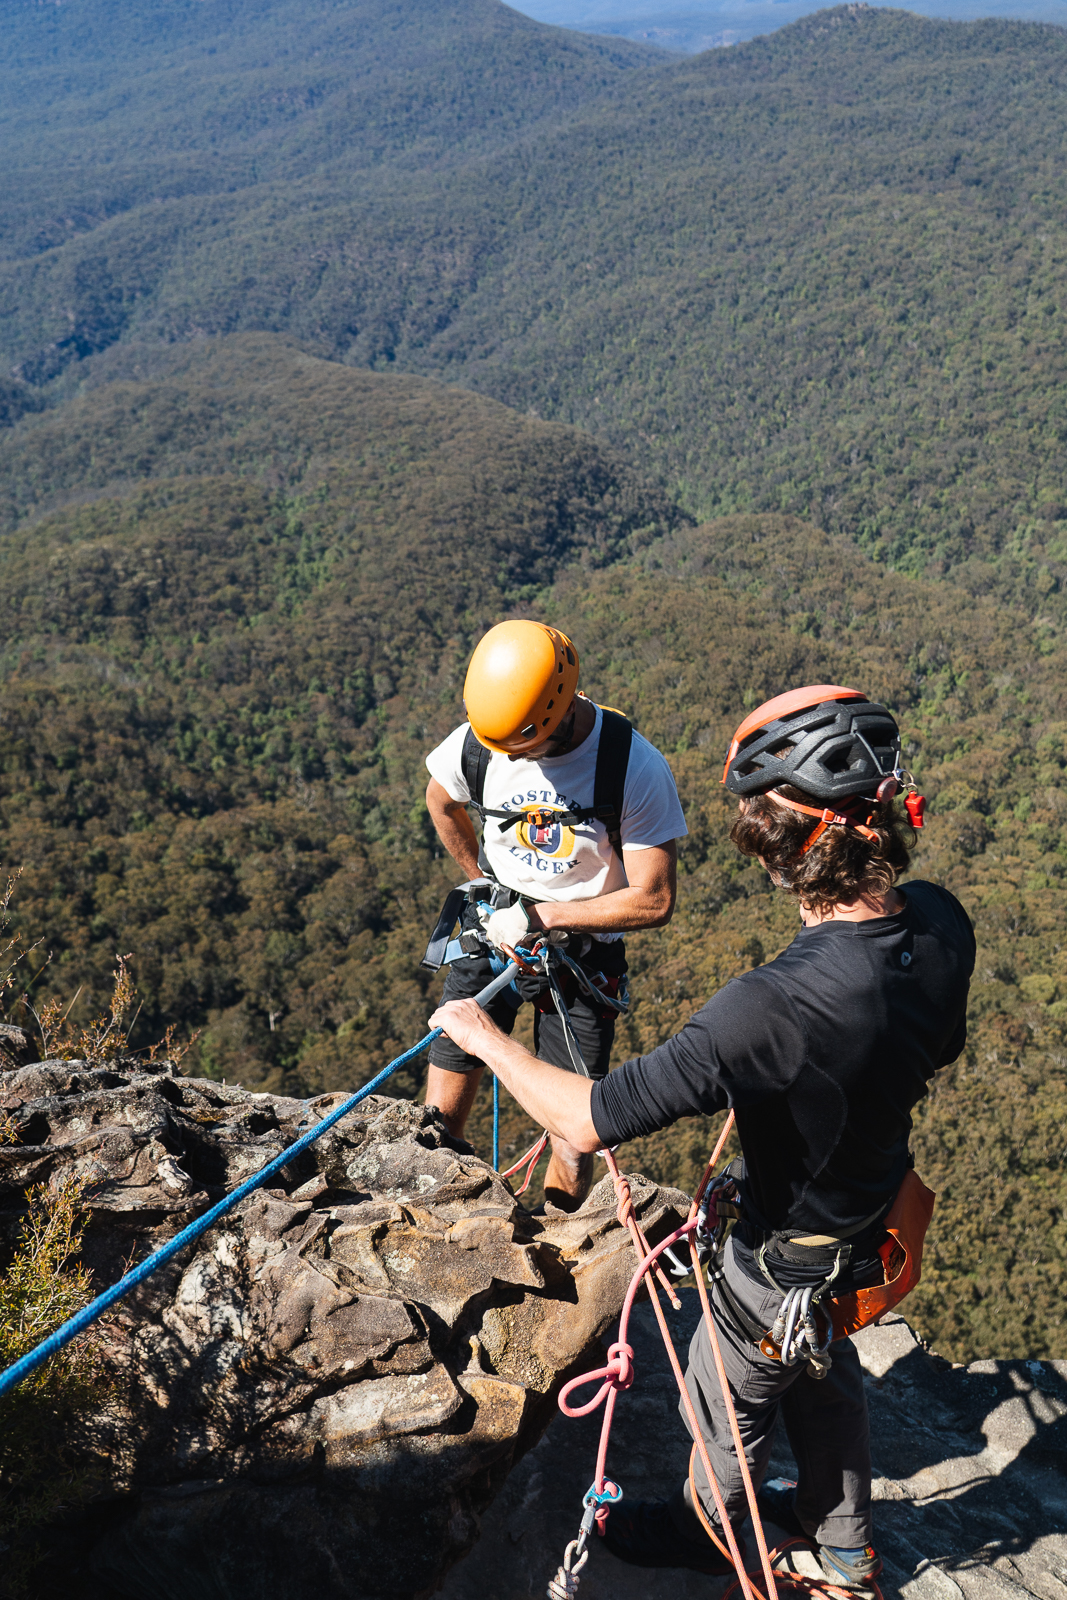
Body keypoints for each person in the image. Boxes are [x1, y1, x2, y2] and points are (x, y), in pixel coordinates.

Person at [429, 683, 975, 1591]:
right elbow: (933, 1044)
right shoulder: (939, 920)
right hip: (870, 1223)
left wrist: (481, 1036)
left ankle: (712, 1532)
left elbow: (585, 1117)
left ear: (780, 850)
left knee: (721, 1403)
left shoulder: (766, 1006)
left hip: (776, 1263)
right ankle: (842, 1549)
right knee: (825, 1371)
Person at [423, 618, 687, 1211]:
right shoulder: (482, 740)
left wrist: (544, 917)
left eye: (528, 746)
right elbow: (442, 800)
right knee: (451, 1058)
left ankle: (559, 1237)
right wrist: (482, 882)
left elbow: (654, 898)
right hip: (495, 922)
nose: (519, 759)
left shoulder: (630, 765)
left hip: (583, 951)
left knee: (572, 1132)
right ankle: (440, 1201)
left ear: (562, 705)